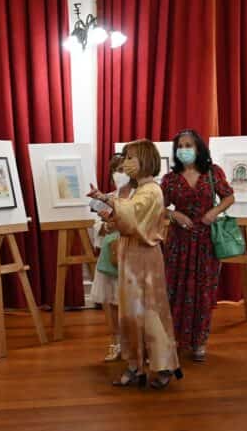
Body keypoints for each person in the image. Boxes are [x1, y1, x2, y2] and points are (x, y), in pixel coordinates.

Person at [88, 140, 182, 390]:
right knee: (130, 313)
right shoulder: (138, 189)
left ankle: (162, 366)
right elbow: (127, 220)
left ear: (145, 160)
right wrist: (110, 216)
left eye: (131, 158)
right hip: (130, 254)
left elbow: (132, 217)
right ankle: (135, 364)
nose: (126, 163)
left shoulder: (151, 190)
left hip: (145, 256)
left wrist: (106, 200)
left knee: (151, 311)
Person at [160, 129, 235, 362]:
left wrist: (214, 211)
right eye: (180, 146)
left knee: (203, 291)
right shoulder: (170, 179)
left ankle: (200, 343)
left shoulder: (213, 172)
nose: (184, 150)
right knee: (175, 290)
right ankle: (174, 340)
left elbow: (229, 197)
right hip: (179, 242)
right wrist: (174, 215)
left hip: (206, 242)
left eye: (188, 145)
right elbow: (158, 207)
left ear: (198, 148)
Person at [90, 155, 134, 361]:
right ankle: (115, 342)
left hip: (134, 256)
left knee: (134, 302)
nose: (119, 174)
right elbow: (96, 230)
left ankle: (135, 343)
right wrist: (105, 225)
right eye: (116, 170)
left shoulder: (139, 197)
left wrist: (119, 224)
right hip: (111, 255)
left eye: (123, 170)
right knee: (112, 301)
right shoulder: (104, 198)